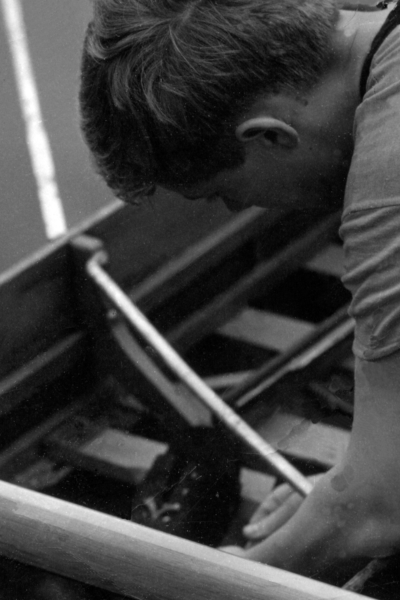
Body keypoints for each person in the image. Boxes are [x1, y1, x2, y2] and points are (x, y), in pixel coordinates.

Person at [79, 0, 400, 584]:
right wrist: (352, 472)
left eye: (224, 193)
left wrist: (241, 576)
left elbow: (377, 513)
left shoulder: (389, 183)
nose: (237, 208)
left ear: (270, 137)